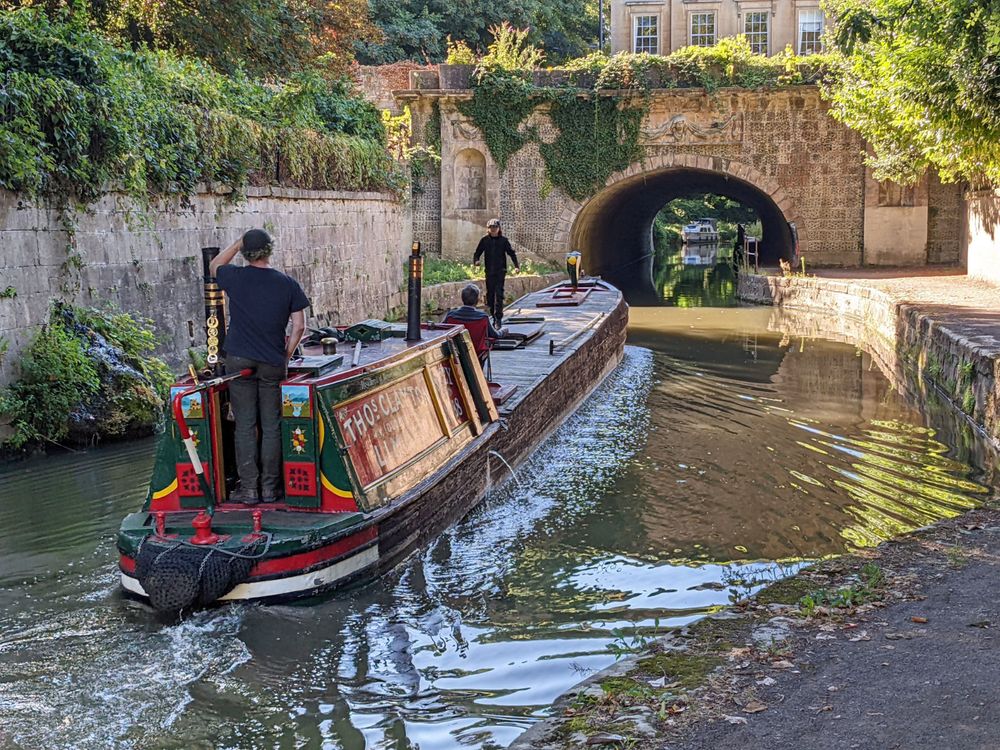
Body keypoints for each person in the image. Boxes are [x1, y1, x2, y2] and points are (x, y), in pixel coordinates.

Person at [210, 229, 310, 505]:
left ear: (246, 253)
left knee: (244, 424)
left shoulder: (235, 277)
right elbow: (299, 326)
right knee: (271, 425)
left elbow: (215, 265)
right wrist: (286, 355)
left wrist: (237, 243)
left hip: (239, 359)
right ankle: (270, 489)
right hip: (271, 361)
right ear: (269, 250)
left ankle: (249, 490)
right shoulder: (287, 283)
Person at [443, 284, 506, 365]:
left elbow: (441, 330)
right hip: (477, 353)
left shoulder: (451, 315)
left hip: (456, 352)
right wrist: (504, 330)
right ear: (477, 300)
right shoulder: (483, 317)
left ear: (462, 299)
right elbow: (495, 335)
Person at [473, 218, 519, 328]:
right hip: (489, 271)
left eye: (495, 227)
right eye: (491, 228)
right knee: (490, 295)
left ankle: (498, 318)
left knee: (499, 294)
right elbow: (477, 253)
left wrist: (516, 266)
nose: (493, 230)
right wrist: (476, 261)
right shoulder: (484, 240)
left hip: (500, 271)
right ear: (488, 229)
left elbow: (511, 253)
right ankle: (492, 316)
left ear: (498, 229)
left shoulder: (503, 241)